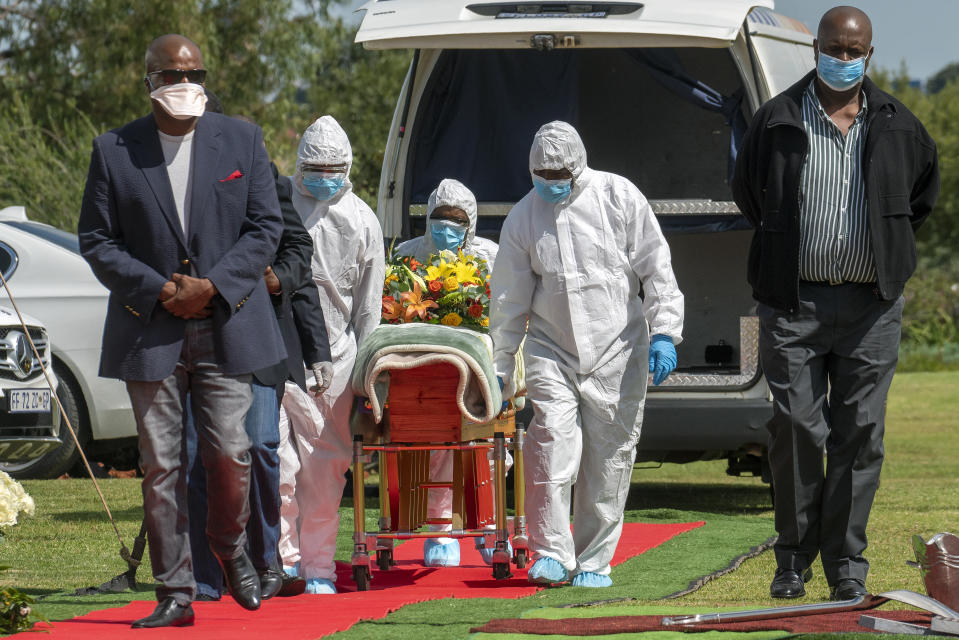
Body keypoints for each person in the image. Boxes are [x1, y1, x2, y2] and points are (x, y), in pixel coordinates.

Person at [731, 6, 939, 601]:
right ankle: (792, 558)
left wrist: (883, 251)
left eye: (855, 51)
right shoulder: (775, 120)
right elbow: (749, 192)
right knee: (796, 426)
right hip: (792, 306)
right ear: (816, 47)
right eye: (834, 48)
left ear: (869, 54)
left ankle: (847, 563)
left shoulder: (901, 124)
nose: (843, 60)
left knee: (861, 432)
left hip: (872, 308)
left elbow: (919, 199)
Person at [77, 34, 286, 627]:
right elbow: (97, 239)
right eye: (170, 72)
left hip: (226, 325)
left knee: (231, 452)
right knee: (162, 465)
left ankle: (229, 549)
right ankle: (175, 591)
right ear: (148, 82)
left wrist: (213, 286)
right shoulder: (115, 149)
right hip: (152, 330)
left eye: (192, 71)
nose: (183, 80)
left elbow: (265, 226)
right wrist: (160, 290)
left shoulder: (240, 138)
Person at [490, 121, 684, 588]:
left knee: (609, 458)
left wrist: (664, 331)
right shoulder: (524, 217)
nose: (551, 182)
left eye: (559, 173)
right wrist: (499, 368)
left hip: (619, 348)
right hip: (552, 348)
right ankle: (552, 553)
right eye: (542, 173)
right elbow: (509, 299)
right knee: (551, 445)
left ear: (578, 165)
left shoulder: (619, 197)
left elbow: (656, 266)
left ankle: (595, 560)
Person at [184, 97, 330, 602]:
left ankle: (267, 559)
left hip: (257, 338)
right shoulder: (168, 182)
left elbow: (297, 251)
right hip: (194, 339)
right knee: (200, 459)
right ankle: (206, 577)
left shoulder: (264, 176)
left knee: (263, 448)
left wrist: (275, 281)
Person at [279, 115, 386, 594]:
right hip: (279, 352)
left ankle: (318, 565)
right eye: (314, 168)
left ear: (348, 167)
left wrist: (367, 379)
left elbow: (368, 311)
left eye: (333, 168)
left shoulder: (363, 219)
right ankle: (280, 562)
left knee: (326, 470)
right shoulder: (276, 205)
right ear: (299, 166)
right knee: (275, 464)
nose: (323, 177)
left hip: (338, 360)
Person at [396, 178, 501, 567]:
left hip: (477, 371)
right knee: (436, 444)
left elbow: (504, 311)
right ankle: (441, 530)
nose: (446, 228)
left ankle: (487, 528)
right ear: (427, 219)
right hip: (425, 372)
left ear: (470, 223)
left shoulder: (488, 257)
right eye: (439, 219)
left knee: (482, 445)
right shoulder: (408, 257)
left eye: (456, 221)